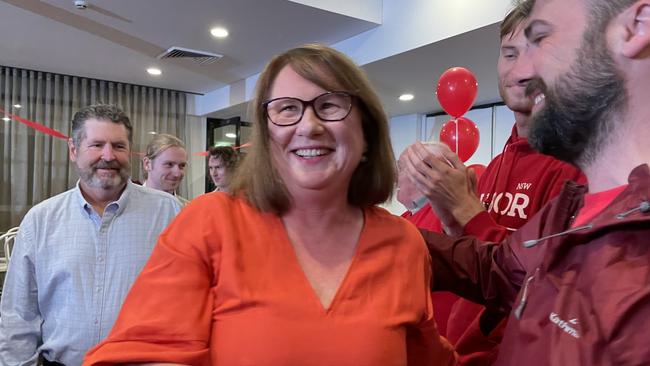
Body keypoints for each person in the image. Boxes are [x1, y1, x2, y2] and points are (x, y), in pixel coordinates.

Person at [84, 44, 457, 365]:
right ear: (266, 136)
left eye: (330, 105)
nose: (309, 125)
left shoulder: (403, 243)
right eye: (287, 109)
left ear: (366, 132)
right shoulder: (211, 222)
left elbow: (425, 354)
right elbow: (143, 351)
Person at [413, 0, 650, 364]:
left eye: (542, 39)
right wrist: (366, 231)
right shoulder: (575, 204)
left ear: (638, 27)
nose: (523, 72)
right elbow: (499, 270)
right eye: (510, 53)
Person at [403, 5, 585, 364]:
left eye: (538, 51)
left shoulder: (579, 168)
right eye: (510, 53)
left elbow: (547, 294)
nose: (520, 70)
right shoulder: (501, 162)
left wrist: (467, 212)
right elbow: (477, 265)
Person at [0, 104, 181, 365]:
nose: (108, 155)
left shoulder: (168, 212)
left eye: (118, 146)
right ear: (74, 150)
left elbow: (185, 299)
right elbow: (19, 316)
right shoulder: (41, 221)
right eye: (96, 145)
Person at [142, 133, 190, 206]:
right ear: (147, 164)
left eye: (182, 166)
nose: (177, 174)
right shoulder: (126, 206)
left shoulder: (189, 209)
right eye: (169, 164)